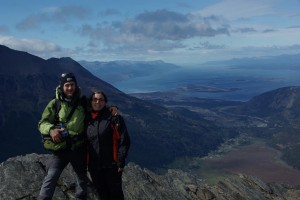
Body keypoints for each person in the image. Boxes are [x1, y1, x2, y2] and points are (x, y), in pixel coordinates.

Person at [37, 72, 87, 200]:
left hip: (78, 147)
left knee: (81, 177)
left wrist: (112, 108)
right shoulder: (55, 104)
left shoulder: (83, 102)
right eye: (67, 85)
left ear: (76, 86)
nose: (70, 88)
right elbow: (42, 123)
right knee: (51, 176)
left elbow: (98, 108)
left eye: (72, 85)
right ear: (62, 87)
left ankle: (80, 198)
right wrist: (51, 130)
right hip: (61, 148)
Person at [86, 91, 130, 200]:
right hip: (94, 167)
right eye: (95, 99)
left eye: (101, 100)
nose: (98, 102)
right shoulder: (86, 119)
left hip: (112, 166)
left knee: (116, 195)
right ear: (90, 102)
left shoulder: (114, 118)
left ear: (105, 102)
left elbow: (124, 140)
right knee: (102, 195)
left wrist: (120, 161)